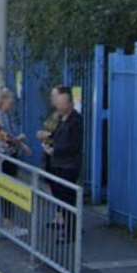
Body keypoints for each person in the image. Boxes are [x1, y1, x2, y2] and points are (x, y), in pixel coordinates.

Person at [37, 85, 83, 241]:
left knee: (68, 200)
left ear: (69, 104)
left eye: (62, 103)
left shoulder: (75, 120)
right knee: (61, 199)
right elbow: (53, 135)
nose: (59, 106)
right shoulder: (60, 117)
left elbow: (73, 145)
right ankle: (66, 227)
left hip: (68, 166)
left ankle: (71, 233)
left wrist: (54, 150)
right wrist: (47, 141)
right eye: (58, 103)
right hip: (57, 164)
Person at [0, 88, 30, 237]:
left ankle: (9, 223)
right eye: (10, 101)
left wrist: (20, 144)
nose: (12, 104)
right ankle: (8, 225)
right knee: (7, 191)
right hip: (4, 158)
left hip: (9, 156)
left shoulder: (5, 115)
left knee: (9, 190)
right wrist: (19, 140)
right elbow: (4, 137)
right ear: (3, 101)